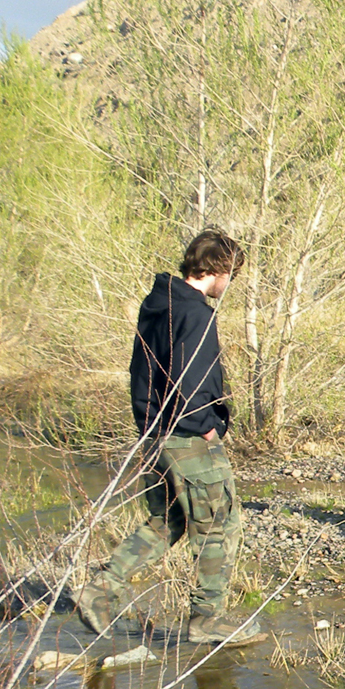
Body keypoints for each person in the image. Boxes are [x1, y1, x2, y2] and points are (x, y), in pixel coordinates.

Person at [75, 229, 264, 646]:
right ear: (216, 270)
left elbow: (143, 373)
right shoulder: (196, 314)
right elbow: (192, 381)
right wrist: (208, 424)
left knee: (168, 521)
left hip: (153, 436)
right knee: (220, 526)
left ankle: (99, 590)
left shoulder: (157, 304)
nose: (230, 283)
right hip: (188, 438)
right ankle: (206, 619)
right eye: (231, 274)